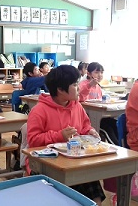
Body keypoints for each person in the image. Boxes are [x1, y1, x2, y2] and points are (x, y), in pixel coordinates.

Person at [26, 65, 105, 205]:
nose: (79, 87)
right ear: (60, 90)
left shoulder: (76, 106)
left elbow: (85, 125)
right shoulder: (39, 111)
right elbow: (33, 141)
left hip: (75, 161)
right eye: (75, 84)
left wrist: (90, 131)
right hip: (45, 166)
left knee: (94, 191)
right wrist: (59, 136)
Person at [79, 62, 118, 144]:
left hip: (99, 114)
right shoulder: (83, 84)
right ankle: (117, 146)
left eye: (101, 72)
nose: (100, 75)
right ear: (89, 74)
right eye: (96, 72)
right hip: (89, 117)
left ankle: (120, 145)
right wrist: (89, 86)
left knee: (114, 123)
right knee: (108, 128)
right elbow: (81, 98)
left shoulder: (98, 87)